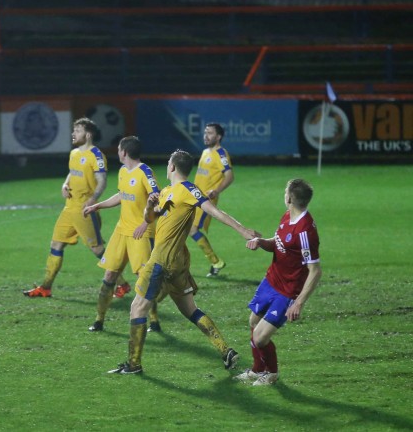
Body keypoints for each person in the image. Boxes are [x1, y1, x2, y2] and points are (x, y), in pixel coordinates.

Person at [109, 149, 259, 375]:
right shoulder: (167, 192)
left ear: (172, 167)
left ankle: (133, 364)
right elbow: (150, 218)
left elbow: (214, 210)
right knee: (190, 310)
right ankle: (225, 350)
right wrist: (150, 206)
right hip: (178, 263)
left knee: (137, 307)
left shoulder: (188, 189)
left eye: (168, 162)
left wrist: (243, 230)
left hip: (161, 260)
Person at [235, 178, 322, 386]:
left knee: (260, 338)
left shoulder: (305, 231)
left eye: (285, 191)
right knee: (253, 323)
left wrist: (299, 302)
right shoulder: (287, 216)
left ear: (289, 198)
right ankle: (257, 370)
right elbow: (278, 243)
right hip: (272, 280)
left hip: (288, 291)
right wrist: (261, 242)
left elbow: (315, 270)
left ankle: (272, 373)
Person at [83, 136, 162, 332]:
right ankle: (99, 320)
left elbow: (158, 198)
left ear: (124, 152)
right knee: (110, 274)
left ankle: (154, 320)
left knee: (143, 277)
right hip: (121, 231)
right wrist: (97, 205)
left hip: (140, 233)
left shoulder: (145, 172)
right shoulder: (122, 171)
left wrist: (146, 222)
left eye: (119, 149)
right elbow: (121, 195)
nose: (117, 152)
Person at [24, 117, 107, 298]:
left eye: (77, 131)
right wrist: (65, 184)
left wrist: (93, 199)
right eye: (74, 130)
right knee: (56, 244)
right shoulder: (74, 153)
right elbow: (72, 171)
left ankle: (120, 283)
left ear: (88, 134)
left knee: (97, 249)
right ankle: (46, 287)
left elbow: (102, 181)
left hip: (84, 210)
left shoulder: (96, 155)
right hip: (69, 208)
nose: (73, 134)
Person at [188, 122, 234, 277]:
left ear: (218, 136)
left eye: (210, 133)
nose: (205, 136)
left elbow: (229, 176)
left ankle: (216, 262)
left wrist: (216, 190)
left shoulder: (221, 153)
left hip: (206, 200)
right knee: (183, 227)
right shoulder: (205, 152)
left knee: (191, 229)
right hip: (194, 197)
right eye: (205, 132)